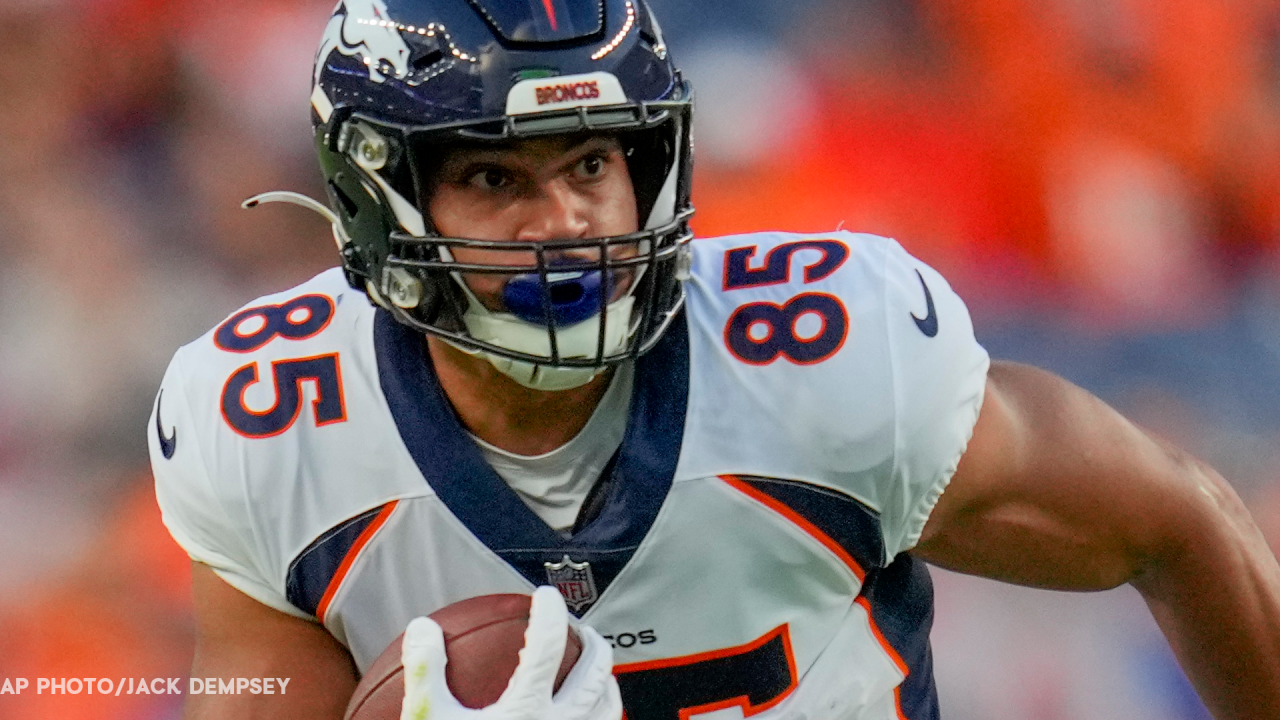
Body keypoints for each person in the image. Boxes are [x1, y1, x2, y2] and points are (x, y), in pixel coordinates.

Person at [147, 0, 1280, 718]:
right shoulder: (271, 422)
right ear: (378, 199)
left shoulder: (826, 356)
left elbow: (1176, 523)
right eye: (496, 178)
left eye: (592, 164)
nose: (566, 222)